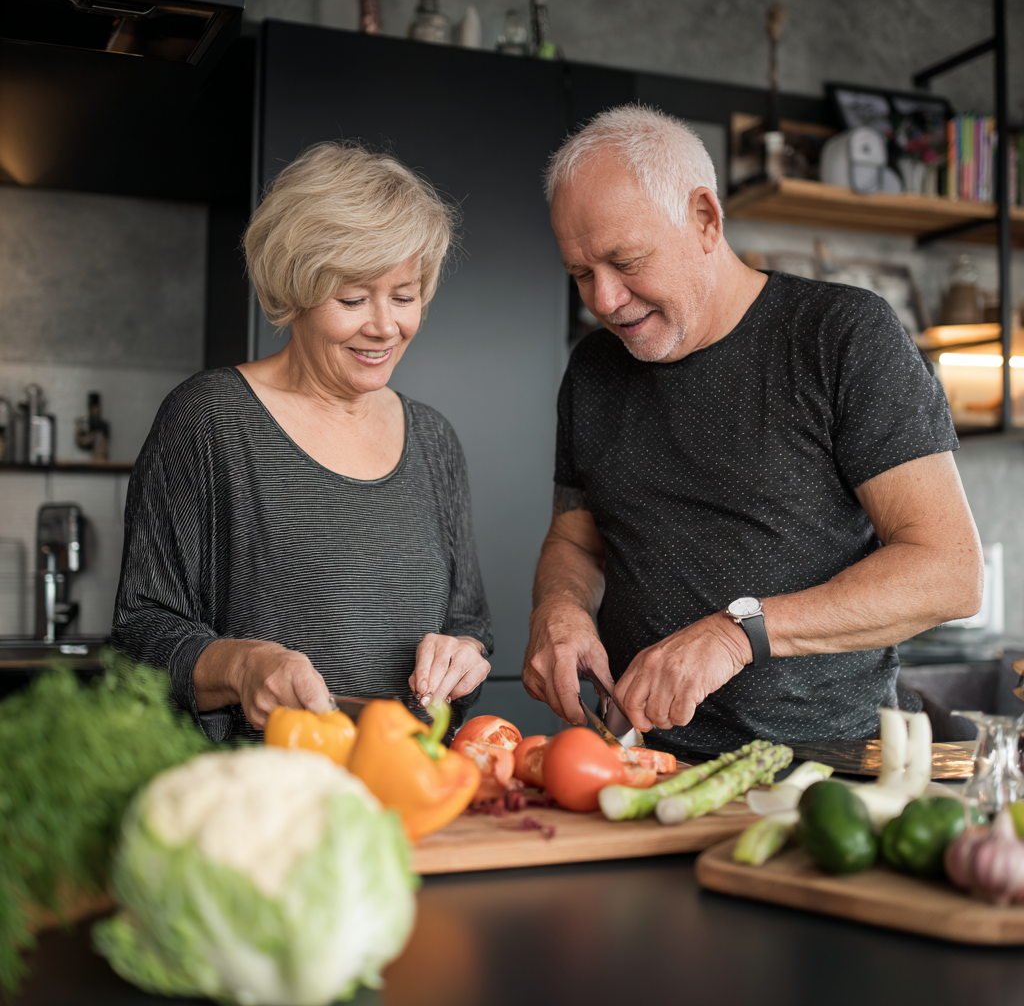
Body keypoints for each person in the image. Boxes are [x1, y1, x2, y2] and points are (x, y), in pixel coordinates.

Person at [523, 105, 984, 754]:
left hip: (826, 774)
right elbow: (577, 542)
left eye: (626, 262)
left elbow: (949, 570)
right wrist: (560, 608)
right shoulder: (595, 370)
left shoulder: (842, 337)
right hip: (639, 764)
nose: (601, 300)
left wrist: (737, 632)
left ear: (706, 219)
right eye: (580, 273)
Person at [113, 142, 492, 741]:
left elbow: (468, 622)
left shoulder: (434, 442)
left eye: (403, 295)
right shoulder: (210, 420)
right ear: (295, 291)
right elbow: (140, 634)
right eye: (351, 298)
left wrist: (464, 656)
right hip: (261, 804)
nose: (384, 327)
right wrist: (243, 667)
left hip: (412, 790)